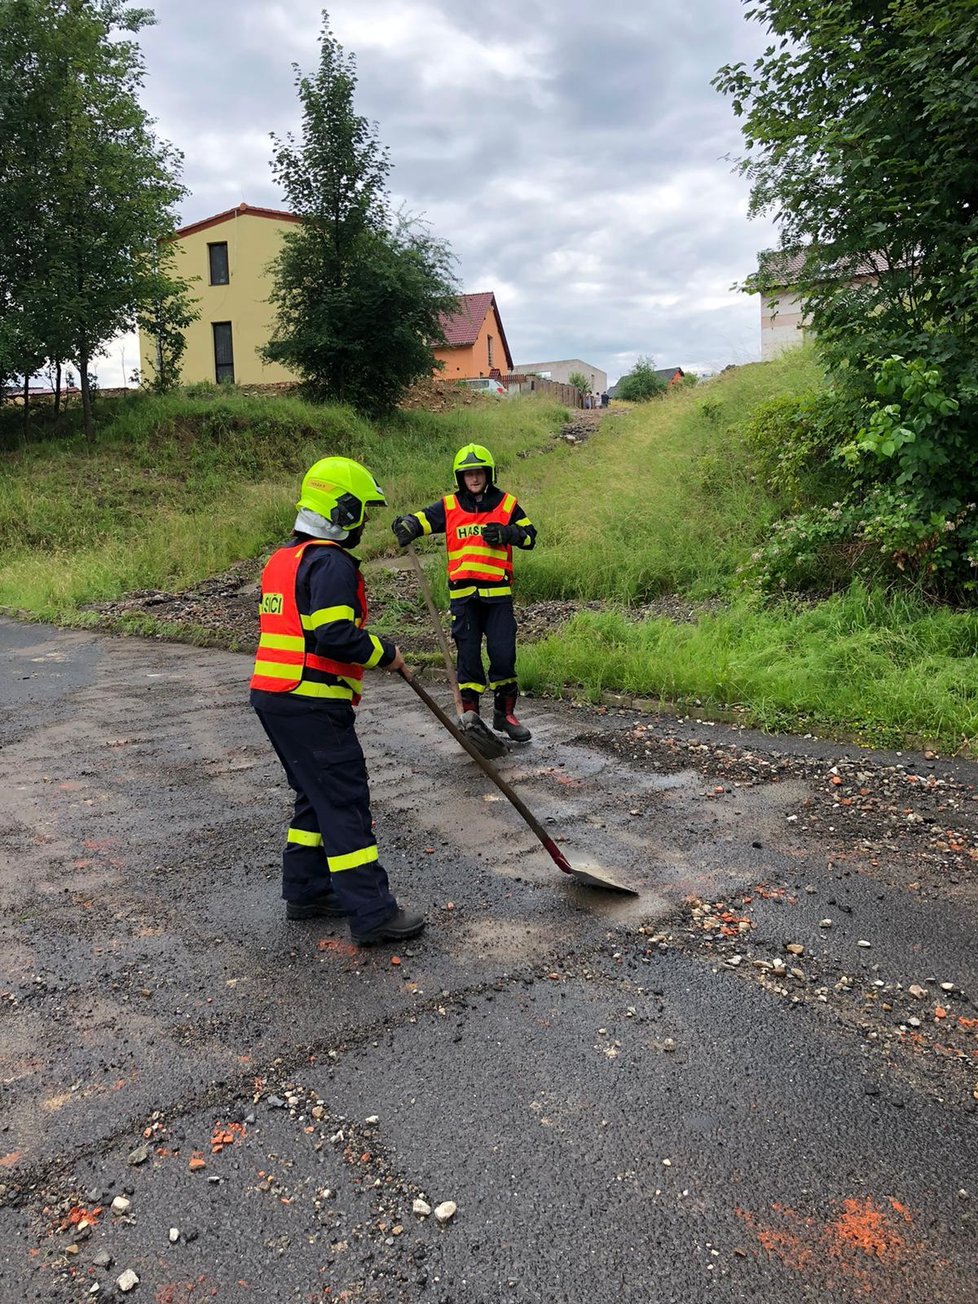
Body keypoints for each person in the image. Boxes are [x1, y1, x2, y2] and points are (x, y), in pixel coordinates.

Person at [250, 456, 425, 946]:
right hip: (310, 703)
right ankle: (372, 913)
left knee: (315, 794)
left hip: (276, 698)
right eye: (362, 513)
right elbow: (334, 635)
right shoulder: (329, 562)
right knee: (344, 801)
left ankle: (307, 892)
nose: (365, 524)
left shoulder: (284, 558)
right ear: (342, 510)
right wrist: (386, 653)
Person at [391, 443, 536, 742]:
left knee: (503, 656)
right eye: (467, 474)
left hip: (498, 597)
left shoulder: (507, 504)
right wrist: (406, 524)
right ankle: (471, 721)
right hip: (464, 599)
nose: (473, 478)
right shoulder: (449, 506)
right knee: (468, 659)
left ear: (488, 474)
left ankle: (504, 716)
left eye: (478, 472)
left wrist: (509, 533)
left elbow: (530, 537)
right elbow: (420, 521)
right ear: (460, 478)